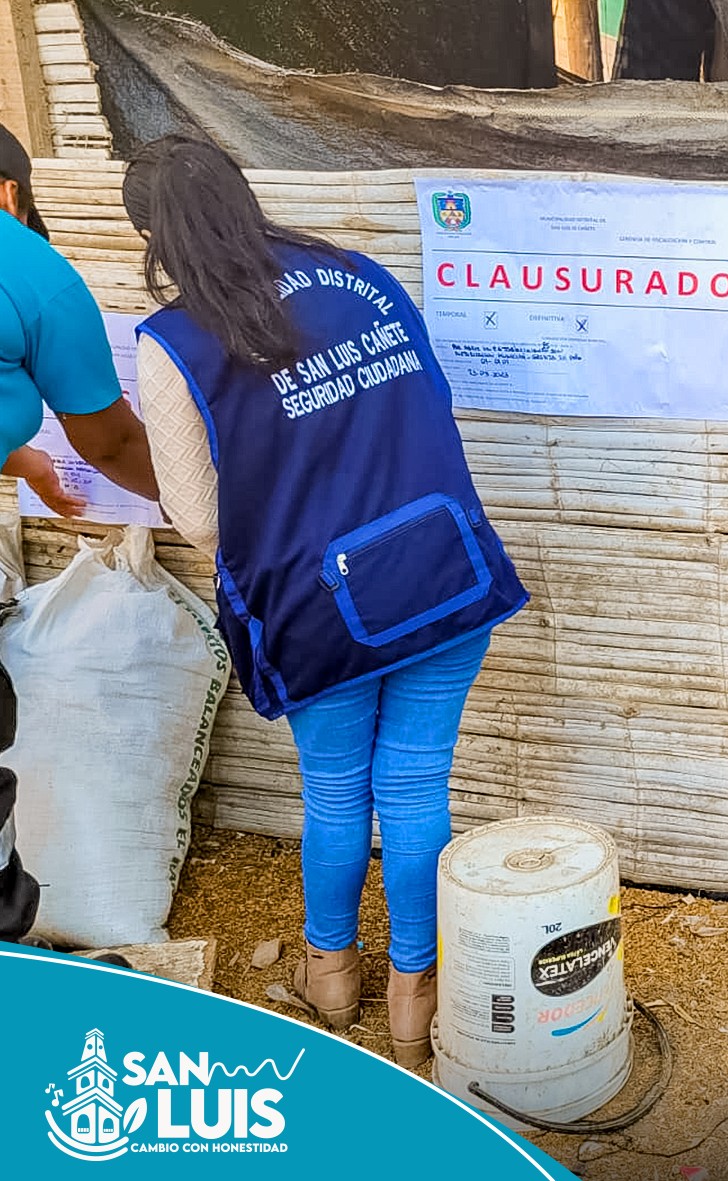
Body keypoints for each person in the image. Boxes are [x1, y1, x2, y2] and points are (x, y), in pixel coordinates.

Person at [121, 135, 529, 1068]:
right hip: (441, 570)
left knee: (338, 793)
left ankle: (332, 973)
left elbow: (194, 517)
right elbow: (431, 407)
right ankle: (417, 998)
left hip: (321, 609)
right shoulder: (361, 276)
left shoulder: (175, 341)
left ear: (152, 235)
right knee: (417, 785)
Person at [1, 122, 161, 948]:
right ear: (8, 190)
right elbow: (109, 442)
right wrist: (203, 503)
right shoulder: (29, 269)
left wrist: (22, 459)